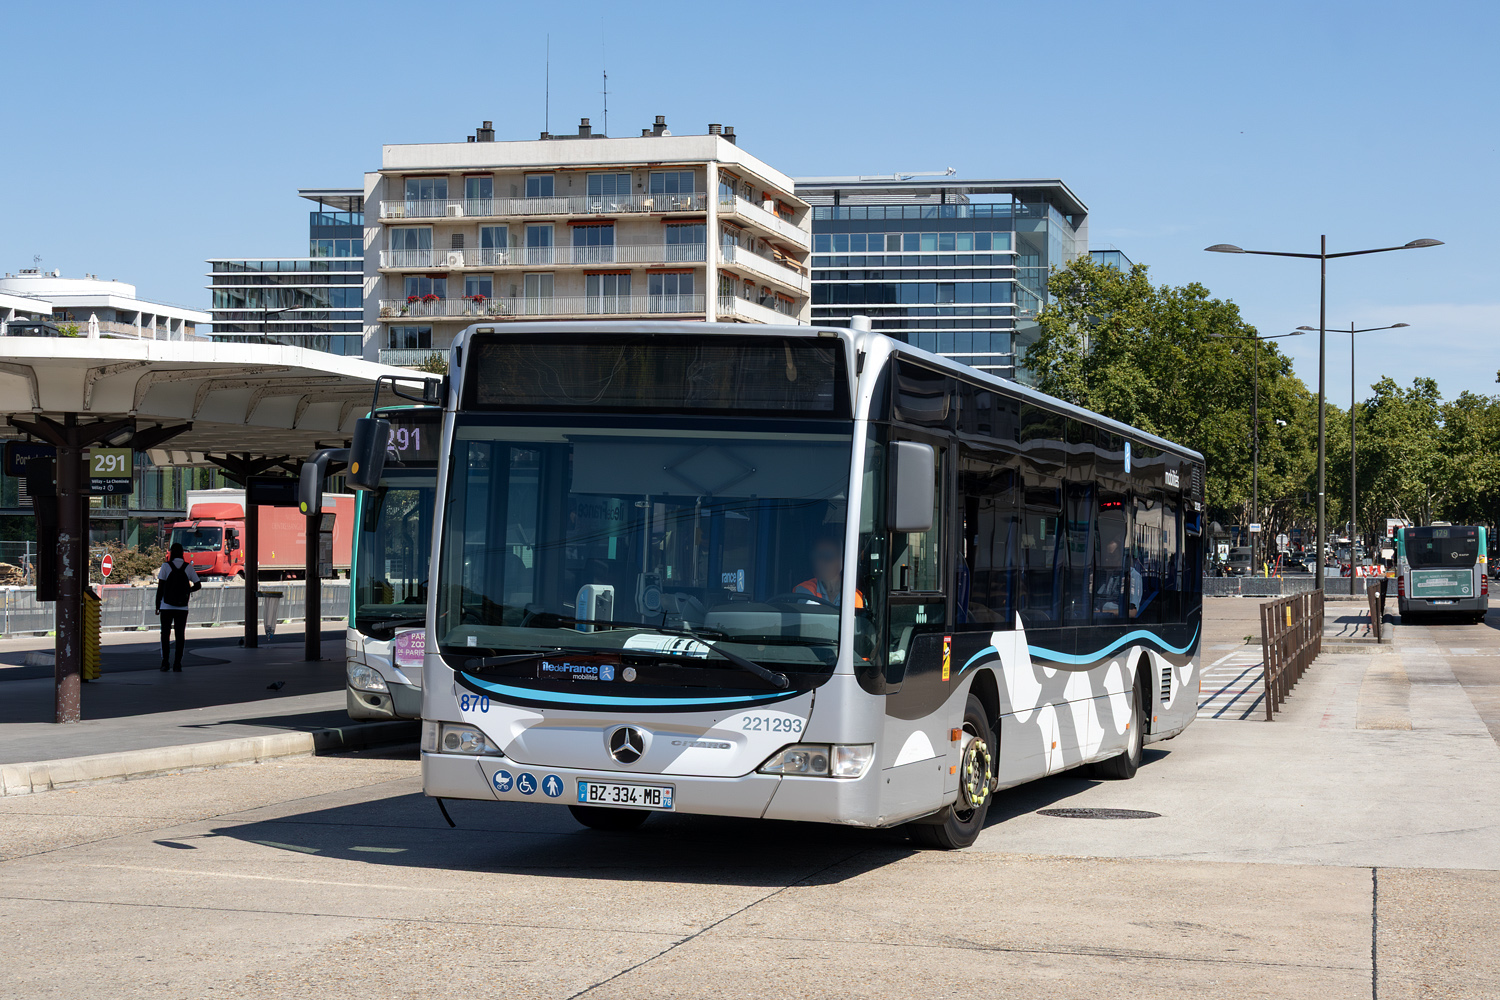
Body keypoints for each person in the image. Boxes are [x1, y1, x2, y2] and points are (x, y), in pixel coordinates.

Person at [156, 543, 202, 672]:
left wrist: (157, 605)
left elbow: (161, 588)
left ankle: (165, 662)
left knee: (165, 634)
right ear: (182, 552)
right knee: (180, 635)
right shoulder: (188, 567)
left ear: (171, 553)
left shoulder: (166, 566)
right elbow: (198, 585)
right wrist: (187, 591)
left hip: (166, 606)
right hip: (182, 608)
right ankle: (177, 663)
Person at [793, 529, 865, 608]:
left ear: (842, 560)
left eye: (827, 556)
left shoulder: (854, 596)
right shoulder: (804, 589)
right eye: (816, 556)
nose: (819, 562)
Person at [1095, 537, 1142, 618]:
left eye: (1112, 556)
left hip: (1115, 620)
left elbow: (1132, 612)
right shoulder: (1108, 575)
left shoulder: (1132, 576)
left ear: (1121, 556)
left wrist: (1102, 612)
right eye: (1106, 556)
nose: (1107, 560)